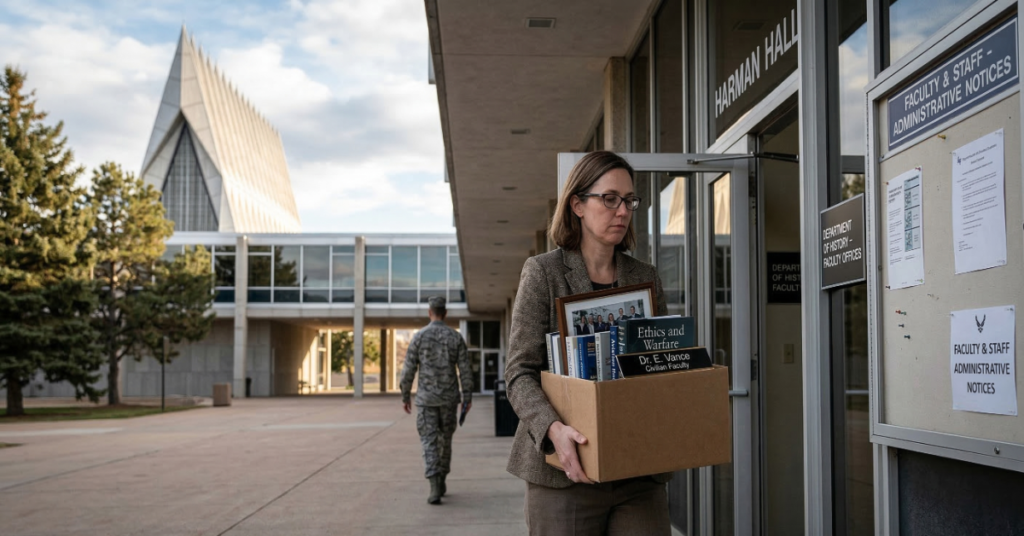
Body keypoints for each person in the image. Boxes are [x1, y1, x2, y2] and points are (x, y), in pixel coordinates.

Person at [504, 150, 670, 535]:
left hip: (638, 471)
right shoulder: (544, 273)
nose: (622, 210)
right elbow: (519, 373)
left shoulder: (645, 277)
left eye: (629, 200)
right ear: (577, 204)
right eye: (609, 198)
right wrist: (552, 429)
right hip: (565, 473)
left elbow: (661, 362)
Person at [400, 296, 474, 505]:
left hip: (426, 400)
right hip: (449, 399)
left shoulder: (419, 337)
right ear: (446, 313)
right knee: (445, 440)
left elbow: (408, 370)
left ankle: (434, 484)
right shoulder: (455, 337)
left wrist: (405, 395)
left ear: (429, 312)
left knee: (429, 441)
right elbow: (465, 370)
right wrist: (467, 396)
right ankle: (441, 479)